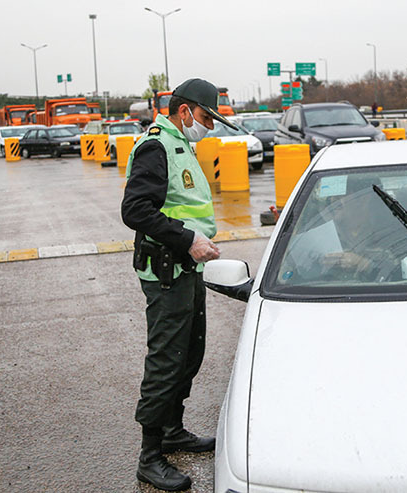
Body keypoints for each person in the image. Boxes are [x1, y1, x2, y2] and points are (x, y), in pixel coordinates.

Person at [121, 78, 237, 491]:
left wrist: (195, 241)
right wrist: (188, 239)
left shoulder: (179, 144)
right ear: (185, 111)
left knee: (190, 351)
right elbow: (135, 210)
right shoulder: (156, 146)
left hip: (187, 269)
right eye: (207, 117)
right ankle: (149, 455)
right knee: (167, 359)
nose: (210, 126)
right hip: (167, 272)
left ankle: (172, 429)